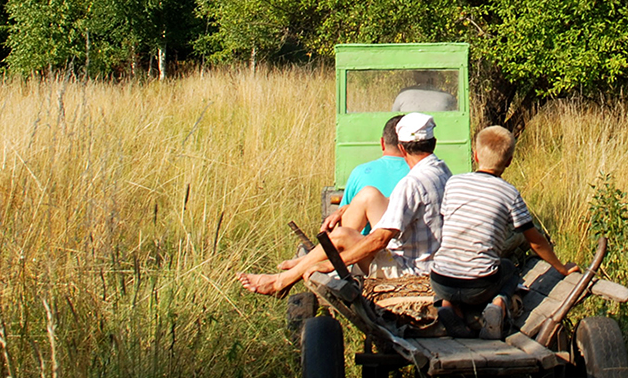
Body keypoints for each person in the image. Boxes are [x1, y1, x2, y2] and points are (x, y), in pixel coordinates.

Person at [239, 112, 452, 297]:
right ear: (433, 144)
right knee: (368, 194)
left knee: (342, 235)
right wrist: (345, 209)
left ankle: (281, 281)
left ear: (402, 148)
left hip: (409, 269)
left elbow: (379, 240)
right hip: (424, 258)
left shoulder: (411, 183)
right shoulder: (441, 170)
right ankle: (305, 264)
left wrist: (332, 262)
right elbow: (400, 206)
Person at [428, 125, 574, 340]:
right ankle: (499, 304)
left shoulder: (454, 183)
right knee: (508, 268)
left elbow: (446, 219)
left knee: (452, 267)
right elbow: (535, 241)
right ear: (509, 161)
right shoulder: (509, 193)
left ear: (475, 155)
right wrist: (562, 268)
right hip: (479, 286)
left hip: (440, 280)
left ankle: (448, 307)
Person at [323, 116, 409, 237]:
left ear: (382, 143)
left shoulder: (360, 172)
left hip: (363, 245)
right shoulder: (422, 173)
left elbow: (345, 218)